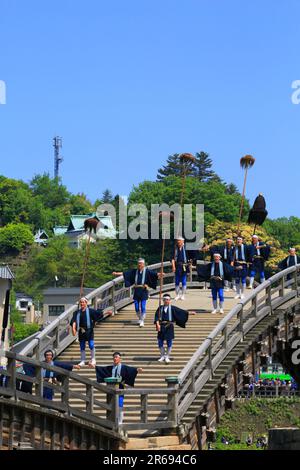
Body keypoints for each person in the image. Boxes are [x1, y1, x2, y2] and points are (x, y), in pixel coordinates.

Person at [90, 351, 143, 425]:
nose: (115, 359)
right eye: (114, 357)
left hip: (120, 389)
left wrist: (137, 370)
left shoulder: (123, 367)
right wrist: (94, 367)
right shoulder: (111, 368)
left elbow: (131, 370)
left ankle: (120, 422)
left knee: (120, 405)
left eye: (116, 357)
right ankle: (112, 421)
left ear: (120, 359)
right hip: (111, 389)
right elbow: (102, 369)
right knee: (111, 405)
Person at [113, 258, 159, 327]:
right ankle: (140, 318)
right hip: (137, 290)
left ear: (143, 264)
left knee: (143, 306)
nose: (139, 265)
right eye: (138, 263)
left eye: (141, 263)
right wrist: (117, 273)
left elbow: (155, 274)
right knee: (137, 307)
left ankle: (142, 320)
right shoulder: (135, 271)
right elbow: (125, 273)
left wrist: (160, 274)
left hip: (143, 290)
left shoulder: (147, 271)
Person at [70, 297, 113, 366]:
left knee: (91, 345)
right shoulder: (76, 312)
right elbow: (73, 321)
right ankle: (83, 360)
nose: (82, 303)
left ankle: (93, 359)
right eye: (81, 302)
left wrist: (107, 312)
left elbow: (99, 314)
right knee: (82, 346)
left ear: (86, 303)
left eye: (83, 302)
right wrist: (73, 328)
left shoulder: (90, 311)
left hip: (89, 330)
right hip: (81, 330)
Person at [154, 293, 189, 363]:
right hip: (162, 326)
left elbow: (181, 312)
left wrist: (189, 313)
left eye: (167, 300)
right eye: (165, 300)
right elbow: (156, 317)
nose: (166, 301)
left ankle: (167, 356)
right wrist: (157, 324)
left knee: (169, 342)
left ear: (170, 300)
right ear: (163, 300)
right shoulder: (160, 308)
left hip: (169, 326)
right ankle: (162, 355)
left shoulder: (172, 308)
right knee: (160, 341)